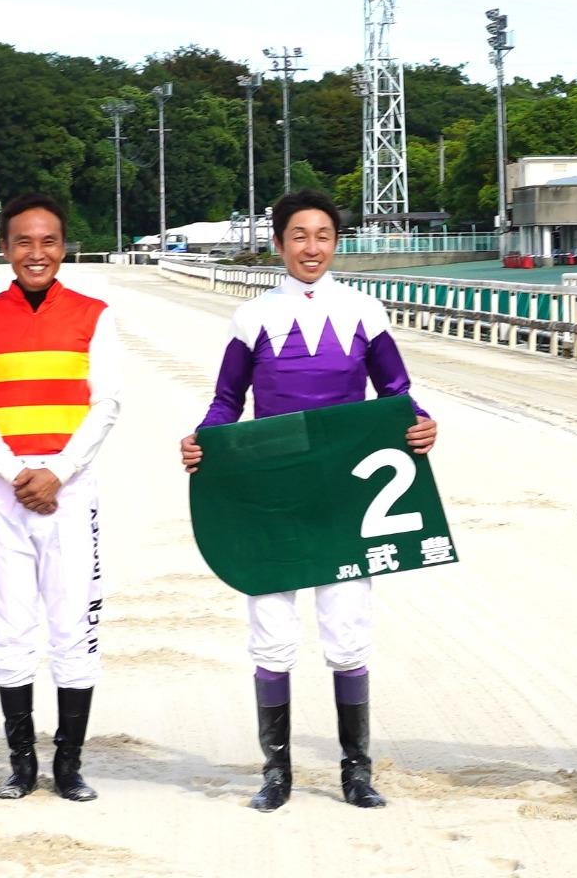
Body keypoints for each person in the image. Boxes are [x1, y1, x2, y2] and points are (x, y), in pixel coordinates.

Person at [180, 189, 436, 812]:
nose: (311, 247)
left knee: (347, 633)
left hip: (345, 496)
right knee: (271, 633)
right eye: (299, 235)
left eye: (322, 235)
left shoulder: (364, 311)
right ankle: (277, 773)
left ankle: (356, 772)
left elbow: (396, 392)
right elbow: (226, 402)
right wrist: (201, 441)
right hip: (274, 494)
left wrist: (422, 422)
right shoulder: (253, 317)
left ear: (336, 242)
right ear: (278, 245)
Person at [0, 194, 123, 802]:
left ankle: (68, 765)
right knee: (10, 630)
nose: (36, 253)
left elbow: (105, 403)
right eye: (23, 242)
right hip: (4, 495)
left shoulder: (94, 314)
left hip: (72, 493)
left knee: (73, 627)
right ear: (6, 248)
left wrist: (58, 470)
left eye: (48, 241)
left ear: (63, 246)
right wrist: (13, 471)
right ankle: (21, 763)